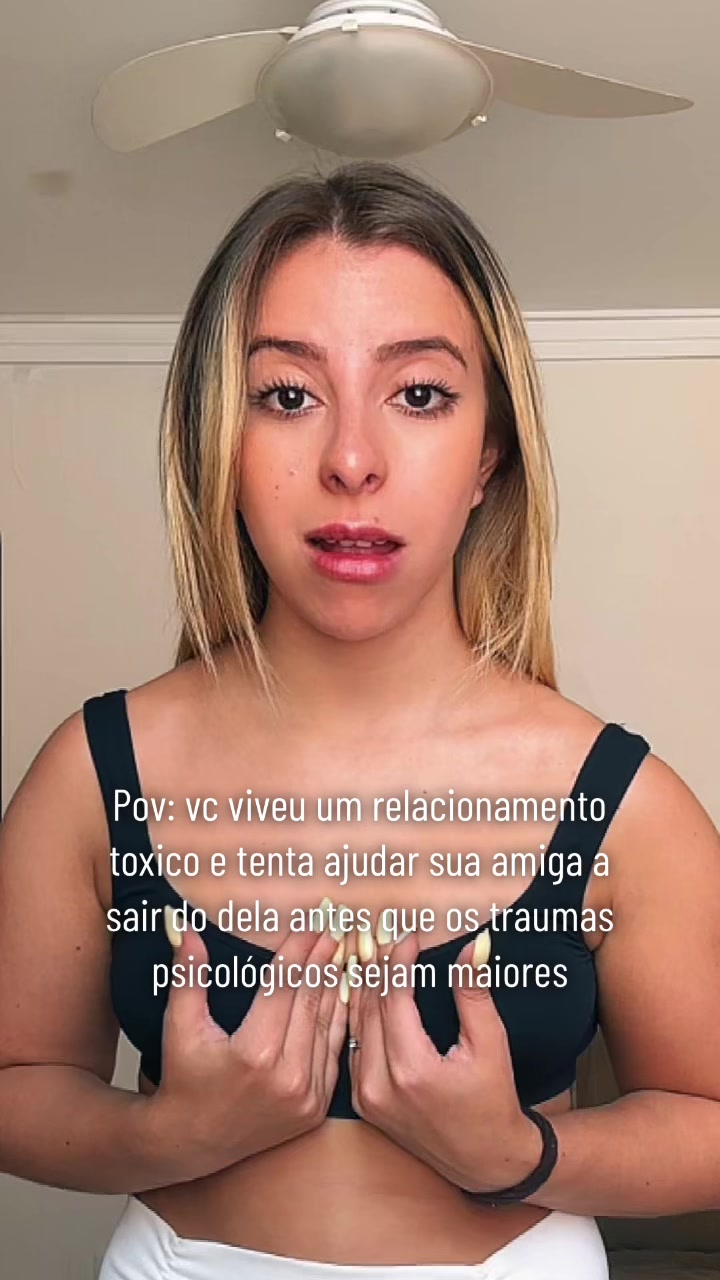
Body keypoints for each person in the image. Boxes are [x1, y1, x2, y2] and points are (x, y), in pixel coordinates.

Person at [1, 161, 719, 1280]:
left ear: (488, 454)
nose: (350, 461)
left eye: (419, 394)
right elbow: (18, 1083)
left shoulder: (628, 805)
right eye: (288, 395)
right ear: (218, 443)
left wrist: (517, 1153)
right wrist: (171, 1134)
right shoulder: (92, 774)